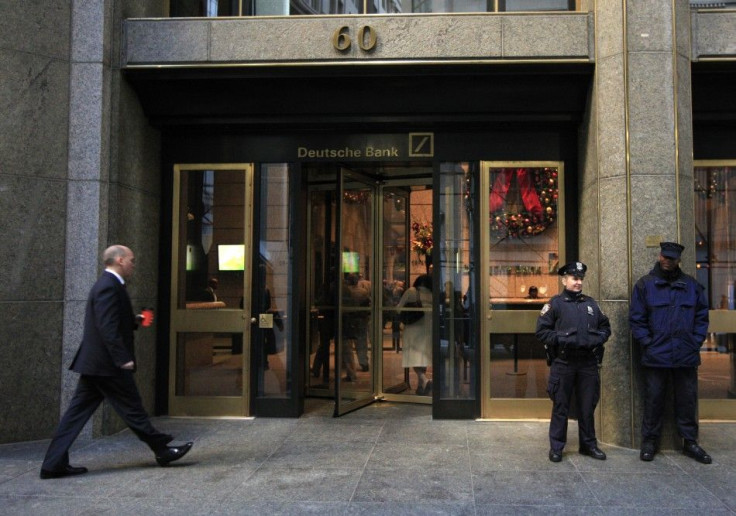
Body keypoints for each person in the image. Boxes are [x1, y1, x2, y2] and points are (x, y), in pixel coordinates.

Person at [40, 245, 192, 479]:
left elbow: (111, 320)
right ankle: (162, 449)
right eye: (131, 260)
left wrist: (136, 319)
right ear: (120, 260)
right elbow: (107, 327)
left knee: (76, 414)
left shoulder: (109, 285)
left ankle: (53, 464)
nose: (134, 264)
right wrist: (122, 358)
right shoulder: (108, 286)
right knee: (133, 409)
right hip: (108, 365)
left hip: (97, 365)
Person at [629, 242, 711, 464]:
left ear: (678, 260)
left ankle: (690, 442)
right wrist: (648, 343)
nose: (667, 260)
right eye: (665, 256)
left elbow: (702, 318)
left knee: (687, 401)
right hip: (656, 356)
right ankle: (649, 442)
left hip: (685, 355)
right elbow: (637, 319)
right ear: (659, 255)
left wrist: (694, 342)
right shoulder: (645, 285)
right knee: (654, 400)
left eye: (672, 258)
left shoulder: (691, 286)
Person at [536, 261, 610, 463]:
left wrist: (596, 340)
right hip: (564, 362)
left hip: (587, 363)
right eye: (574, 278)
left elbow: (605, 328)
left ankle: (588, 445)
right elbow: (542, 331)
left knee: (587, 406)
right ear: (564, 280)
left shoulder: (591, 304)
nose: (578, 282)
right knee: (561, 406)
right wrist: (563, 340)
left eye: (580, 279)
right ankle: (557, 447)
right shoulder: (555, 304)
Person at [398, 274, 433, 395]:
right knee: (422, 357)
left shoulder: (411, 291)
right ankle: (421, 386)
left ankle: (424, 380)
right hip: (427, 330)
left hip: (412, 329)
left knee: (413, 357)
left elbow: (399, 308)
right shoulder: (432, 294)